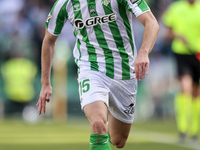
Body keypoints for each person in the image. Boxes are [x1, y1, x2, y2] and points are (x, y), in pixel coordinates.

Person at [36, 0, 159, 149]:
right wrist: (45, 83)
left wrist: (143, 53)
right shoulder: (64, 3)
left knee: (118, 140)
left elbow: (152, 23)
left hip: (124, 71)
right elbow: (49, 40)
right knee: (98, 124)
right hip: (90, 68)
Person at [162, 0, 200, 142]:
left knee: (196, 92)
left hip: (198, 54)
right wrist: (178, 36)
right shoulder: (176, 9)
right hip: (182, 54)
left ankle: (195, 130)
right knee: (185, 87)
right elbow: (167, 34)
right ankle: (183, 129)